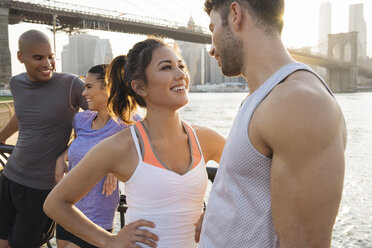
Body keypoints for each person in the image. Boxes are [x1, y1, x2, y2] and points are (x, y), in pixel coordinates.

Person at [43, 37, 226, 248]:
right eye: (166, 67)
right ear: (139, 87)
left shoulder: (205, 139)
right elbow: (55, 204)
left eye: (181, 66)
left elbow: (254, 172)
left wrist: (216, 208)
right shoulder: (121, 146)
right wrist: (109, 240)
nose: (181, 75)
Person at [198, 1, 347, 247]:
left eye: (213, 28)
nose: (211, 49)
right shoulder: (266, 96)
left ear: (235, 14)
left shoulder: (299, 103)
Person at [0, 29, 87, 248]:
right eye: (38, 57)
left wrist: (66, 153)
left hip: (43, 187)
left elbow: (99, 123)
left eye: (50, 56)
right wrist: (1, 136)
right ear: (21, 57)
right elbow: (22, 114)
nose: (47, 63)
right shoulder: (16, 84)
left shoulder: (71, 85)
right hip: (8, 177)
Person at [55, 64, 142, 248]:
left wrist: (113, 166)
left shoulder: (130, 123)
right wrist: (62, 155)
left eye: (88, 87)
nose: (83, 93)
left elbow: (145, 154)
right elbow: (80, 146)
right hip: (67, 210)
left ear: (108, 87)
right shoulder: (81, 120)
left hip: (96, 220)